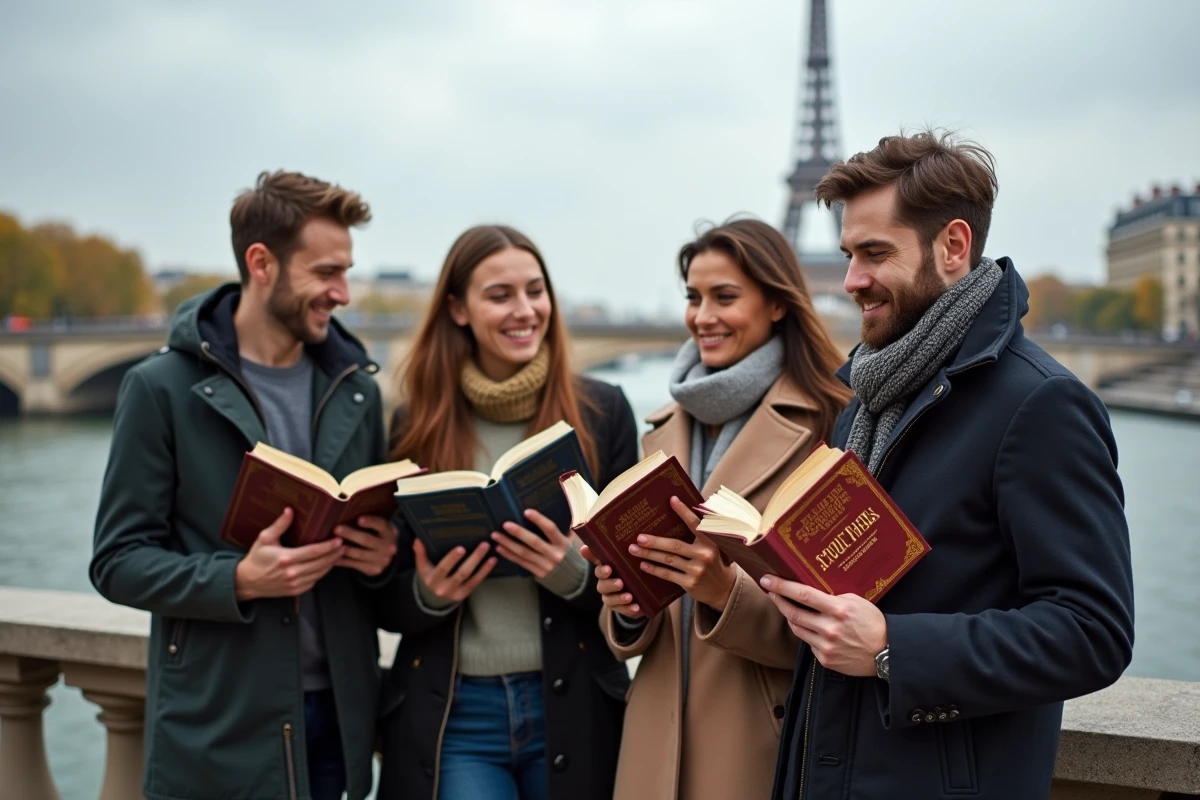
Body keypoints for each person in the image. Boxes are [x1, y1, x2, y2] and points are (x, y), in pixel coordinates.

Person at [766, 130, 1135, 800]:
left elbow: (1094, 632)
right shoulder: (866, 401)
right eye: (849, 255)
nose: (850, 281)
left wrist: (892, 650)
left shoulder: (1040, 404)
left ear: (953, 247)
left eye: (874, 254)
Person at [91, 170, 398, 800]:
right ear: (262, 262)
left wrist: (381, 558)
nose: (343, 292)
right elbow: (117, 563)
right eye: (326, 272)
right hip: (222, 725)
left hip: (341, 720)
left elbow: (373, 554)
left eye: (347, 271)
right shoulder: (160, 389)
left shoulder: (360, 390)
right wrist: (239, 580)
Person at [587, 218, 852, 800]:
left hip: (761, 744)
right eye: (693, 297)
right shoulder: (657, 429)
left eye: (724, 297)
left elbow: (848, 623)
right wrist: (626, 606)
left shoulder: (833, 424)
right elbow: (639, 633)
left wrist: (724, 595)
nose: (702, 316)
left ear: (778, 304)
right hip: (652, 746)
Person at [375, 224, 639, 800]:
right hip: (455, 712)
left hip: (571, 701)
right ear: (458, 309)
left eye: (535, 290)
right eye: (500, 295)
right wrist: (429, 593)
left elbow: (641, 590)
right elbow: (380, 592)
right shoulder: (413, 424)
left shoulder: (603, 412)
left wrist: (568, 574)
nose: (525, 310)